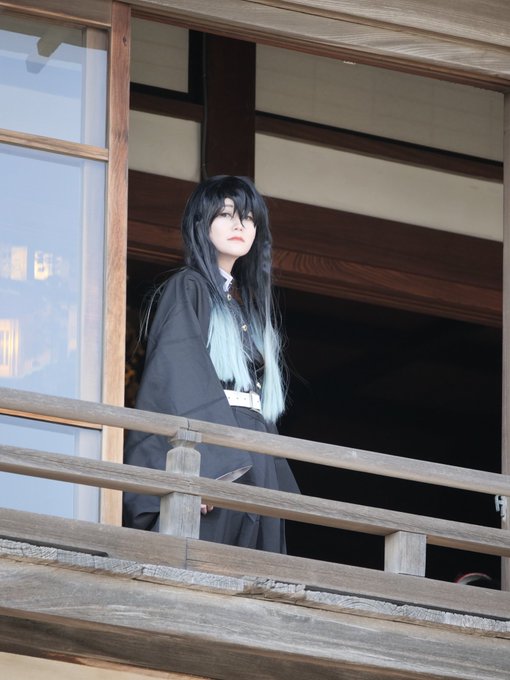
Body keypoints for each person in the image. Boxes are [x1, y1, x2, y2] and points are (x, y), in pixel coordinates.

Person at [123, 175, 299, 553]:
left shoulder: (242, 303)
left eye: (248, 218)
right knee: (206, 559)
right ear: (201, 223)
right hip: (216, 448)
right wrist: (206, 466)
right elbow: (178, 372)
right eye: (225, 214)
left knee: (259, 571)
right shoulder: (188, 286)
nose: (240, 225)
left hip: (251, 445)